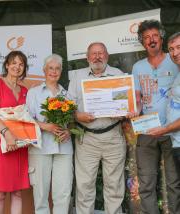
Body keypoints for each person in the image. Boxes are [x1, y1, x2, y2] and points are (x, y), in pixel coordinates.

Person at [68, 42, 126, 214]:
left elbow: (126, 105)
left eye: (101, 53)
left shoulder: (118, 75)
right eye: (93, 54)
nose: (97, 57)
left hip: (113, 136)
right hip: (87, 139)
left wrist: (121, 112)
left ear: (107, 56)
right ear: (87, 58)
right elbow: (68, 107)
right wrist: (77, 116)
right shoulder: (77, 77)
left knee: (114, 185)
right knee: (84, 186)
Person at [131, 20, 180, 214]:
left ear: (161, 38)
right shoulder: (137, 67)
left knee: (174, 183)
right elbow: (137, 98)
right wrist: (134, 108)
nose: (151, 40)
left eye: (154, 36)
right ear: (142, 43)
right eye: (146, 38)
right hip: (146, 130)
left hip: (172, 131)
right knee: (146, 184)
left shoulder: (175, 59)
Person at [26, 54, 73, 214]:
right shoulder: (34, 93)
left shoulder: (67, 94)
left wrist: (68, 131)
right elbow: (26, 121)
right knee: (40, 194)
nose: (54, 71)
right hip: (40, 148)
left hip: (64, 148)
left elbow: (72, 121)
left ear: (61, 71)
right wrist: (47, 126)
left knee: (63, 193)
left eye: (57, 68)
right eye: (50, 68)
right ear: (44, 70)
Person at [0, 51, 30, 214]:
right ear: (7, 65)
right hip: (1, 143)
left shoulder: (25, 90)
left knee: (17, 192)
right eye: (14, 63)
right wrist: (7, 133)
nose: (17, 67)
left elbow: (27, 118)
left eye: (21, 64)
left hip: (19, 145)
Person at [148, 32, 180, 179]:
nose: (175, 53)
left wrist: (165, 129)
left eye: (179, 47)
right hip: (176, 140)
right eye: (172, 49)